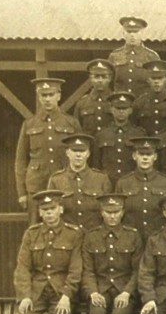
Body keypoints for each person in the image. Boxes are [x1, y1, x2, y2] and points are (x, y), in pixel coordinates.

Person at [15, 190, 84, 314]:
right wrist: (25, 296)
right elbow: (23, 268)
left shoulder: (74, 234)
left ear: (60, 209)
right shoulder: (31, 234)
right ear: (40, 212)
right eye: (44, 210)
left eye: (52, 209)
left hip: (60, 293)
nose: (49, 214)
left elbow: (75, 270)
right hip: (36, 293)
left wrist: (67, 296)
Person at [81, 194, 143, 314]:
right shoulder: (91, 236)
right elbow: (88, 271)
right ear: (102, 213)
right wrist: (92, 293)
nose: (112, 217)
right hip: (100, 288)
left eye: (116, 212)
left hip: (123, 289)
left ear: (122, 212)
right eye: (108, 212)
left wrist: (127, 293)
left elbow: (137, 271)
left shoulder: (133, 235)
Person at [15, 78, 81, 221]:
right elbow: (21, 160)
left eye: (51, 95)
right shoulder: (29, 124)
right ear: (39, 97)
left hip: (64, 184)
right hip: (36, 185)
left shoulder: (71, 123)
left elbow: (80, 153)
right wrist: (22, 192)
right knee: (35, 225)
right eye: (43, 95)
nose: (47, 99)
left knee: (67, 224)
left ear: (58, 95)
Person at [47, 134, 113, 231]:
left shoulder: (101, 179)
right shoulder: (56, 180)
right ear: (67, 153)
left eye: (82, 151)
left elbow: (109, 211)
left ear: (88, 154)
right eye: (74, 151)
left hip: (93, 236)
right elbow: (51, 211)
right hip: (67, 238)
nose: (78, 155)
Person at [115, 137, 166, 240]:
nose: (145, 158)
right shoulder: (123, 183)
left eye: (149, 154)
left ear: (155, 157)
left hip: (159, 239)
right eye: (141, 154)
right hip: (130, 239)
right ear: (134, 156)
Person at [92, 92, 145, 184]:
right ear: (112, 109)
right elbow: (96, 164)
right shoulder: (102, 134)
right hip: (107, 182)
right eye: (118, 108)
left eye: (124, 108)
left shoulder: (139, 134)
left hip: (131, 182)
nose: (121, 111)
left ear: (130, 110)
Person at [108, 16, 160, 97]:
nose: (132, 35)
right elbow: (109, 82)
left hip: (143, 103)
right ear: (123, 33)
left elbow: (158, 82)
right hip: (121, 104)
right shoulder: (114, 55)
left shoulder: (152, 56)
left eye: (136, 32)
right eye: (129, 32)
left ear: (142, 33)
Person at [74, 59, 115, 136]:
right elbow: (77, 131)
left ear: (110, 78)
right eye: (96, 77)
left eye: (104, 77)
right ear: (90, 78)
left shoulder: (115, 101)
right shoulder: (82, 103)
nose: (100, 80)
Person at [133, 60, 166, 136]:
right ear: (148, 80)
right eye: (153, 78)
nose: (156, 82)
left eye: (160, 78)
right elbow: (134, 126)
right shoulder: (139, 103)